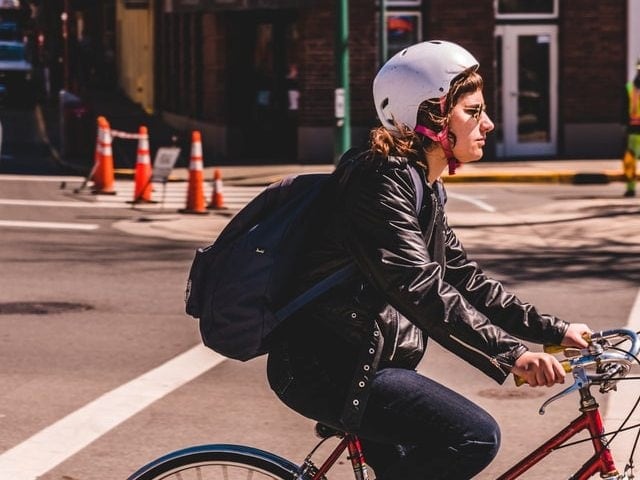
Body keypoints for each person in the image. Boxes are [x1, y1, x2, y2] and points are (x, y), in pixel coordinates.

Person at [266, 40, 591, 480]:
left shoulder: (421, 184)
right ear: (431, 117)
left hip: (367, 361)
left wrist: (554, 330)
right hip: (328, 369)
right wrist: (513, 355)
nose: (488, 124)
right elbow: (418, 286)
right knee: (475, 436)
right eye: (472, 111)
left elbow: (463, 278)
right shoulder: (378, 183)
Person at [623, 58, 640, 197]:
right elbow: (624, 110)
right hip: (634, 129)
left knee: (631, 158)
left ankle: (631, 187)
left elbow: (624, 110)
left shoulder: (630, 87)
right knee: (631, 159)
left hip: (634, 128)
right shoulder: (629, 87)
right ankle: (630, 187)